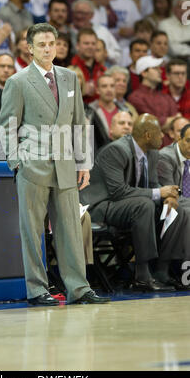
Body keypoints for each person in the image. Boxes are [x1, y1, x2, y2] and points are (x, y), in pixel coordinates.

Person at [0, 22, 109, 305]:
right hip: (32, 165)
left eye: (52, 43)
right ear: (30, 48)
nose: (48, 49)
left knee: (70, 230)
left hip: (65, 165)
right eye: (42, 44)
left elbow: (79, 122)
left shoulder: (70, 77)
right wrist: (16, 162)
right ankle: (37, 290)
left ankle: (79, 289)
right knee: (32, 231)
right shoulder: (18, 81)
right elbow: (7, 125)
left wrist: (84, 162)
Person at [80, 113, 190, 291]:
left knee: (177, 209)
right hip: (101, 205)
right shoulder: (116, 150)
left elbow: (154, 185)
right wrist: (158, 193)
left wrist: (168, 196)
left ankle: (162, 270)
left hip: (129, 203)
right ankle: (142, 275)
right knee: (143, 205)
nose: (163, 137)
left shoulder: (152, 153)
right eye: (159, 133)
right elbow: (118, 192)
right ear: (148, 135)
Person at [128, 56, 180, 138]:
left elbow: (178, 122)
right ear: (144, 73)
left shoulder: (166, 96)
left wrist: (170, 121)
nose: (160, 71)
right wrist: (173, 119)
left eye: (159, 68)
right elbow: (152, 125)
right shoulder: (135, 97)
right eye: (155, 68)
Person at [158, 123, 190, 215]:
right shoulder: (165, 157)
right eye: (188, 141)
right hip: (170, 205)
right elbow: (172, 192)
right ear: (179, 139)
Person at [71, 27, 106, 104]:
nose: (90, 46)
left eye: (93, 43)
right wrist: (82, 91)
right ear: (77, 46)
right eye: (86, 43)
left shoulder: (103, 70)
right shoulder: (69, 68)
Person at [158, 0, 190, 69]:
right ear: (173, 8)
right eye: (180, 7)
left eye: (187, 7)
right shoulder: (165, 24)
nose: (184, 10)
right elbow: (173, 49)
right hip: (172, 63)